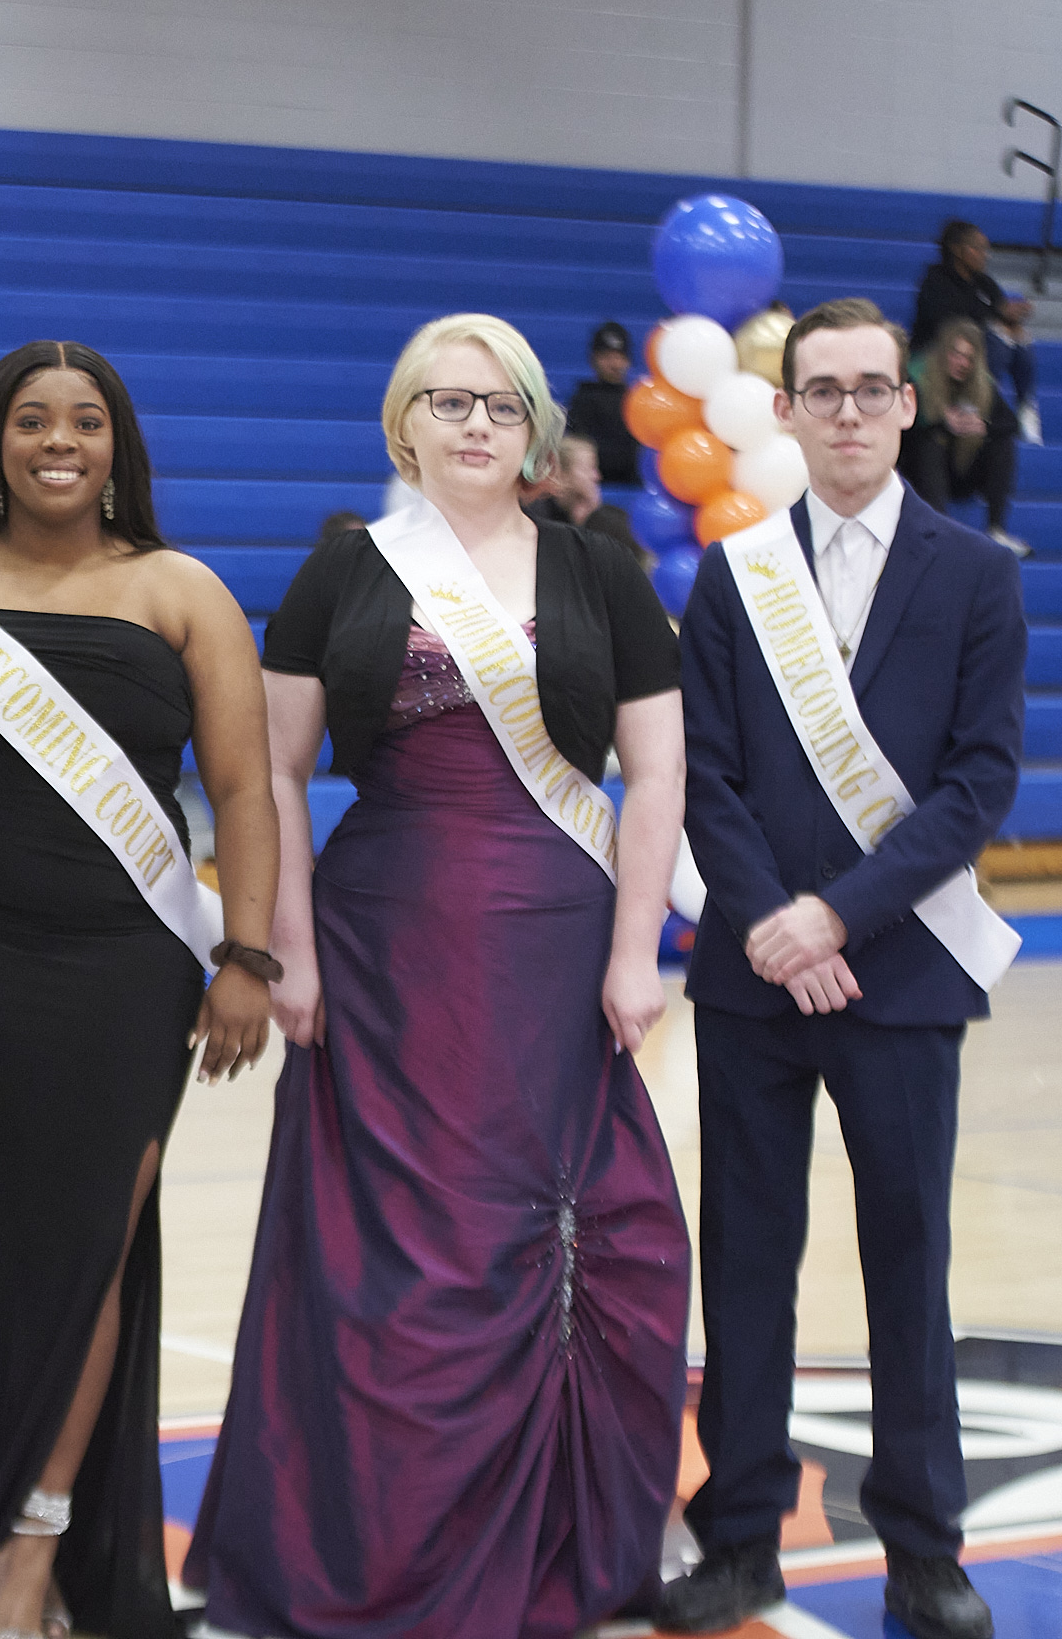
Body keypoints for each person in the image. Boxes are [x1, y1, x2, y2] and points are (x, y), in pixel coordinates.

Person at [189, 313, 691, 1639]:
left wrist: (640, 948)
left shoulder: (601, 572)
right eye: (450, 402)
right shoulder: (345, 572)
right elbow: (275, 776)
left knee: (563, 1225)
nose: (477, 426)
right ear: (403, 423)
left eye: (503, 406)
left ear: (534, 432)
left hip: (555, 945)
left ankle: (557, 1543)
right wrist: (283, 942)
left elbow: (659, 776)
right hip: (379, 939)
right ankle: (369, 1545)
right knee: (390, 1254)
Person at [0, 341, 276, 1639]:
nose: (60, 441)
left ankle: (36, 1553)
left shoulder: (181, 592)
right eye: (33, 419)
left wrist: (249, 957)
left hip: (123, 976)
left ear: (119, 449)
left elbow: (243, 791)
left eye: (87, 422)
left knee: (87, 1253)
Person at [662, 297, 1025, 1639]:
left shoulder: (978, 573)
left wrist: (839, 919)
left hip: (903, 975)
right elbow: (704, 772)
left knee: (906, 1263)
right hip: (757, 980)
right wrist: (775, 923)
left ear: (910, 405)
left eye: (877, 389)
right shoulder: (732, 572)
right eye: (828, 391)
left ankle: (923, 1549)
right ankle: (741, 1541)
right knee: (746, 1263)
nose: (855, 412)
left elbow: (977, 785)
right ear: (787, 410)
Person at [904, 318, 1028, 557]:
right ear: (943, 352)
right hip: (920, 474)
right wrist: (942, 423)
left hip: (962, 471)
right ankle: (938, 527)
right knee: (931, 440)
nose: (962, 363)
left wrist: (982, 426)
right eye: (956, 354)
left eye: (969, 358)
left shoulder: (982, 384)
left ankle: (996, 527)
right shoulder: (918, 375)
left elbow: (1010, 424)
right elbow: (904, 432)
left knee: (1002, 443)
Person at [912, 222, 1036, 440]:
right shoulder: (935, 281)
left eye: (986, 249)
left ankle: (1026, 408)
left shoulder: (985, 284)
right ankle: (980, 402)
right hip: (938, 351)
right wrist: (994, 320)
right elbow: (944, 324)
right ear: (957, 249)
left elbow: (999, 311)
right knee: (996, 341)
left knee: (1020, 344)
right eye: (977, 248)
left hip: (978, 347)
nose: (984, 255)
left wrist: (1013, 321)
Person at [525, 435, 647, 562]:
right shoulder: (536, 516)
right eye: (590, 468)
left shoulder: (605, 519)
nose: (597, 476)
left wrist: (592, 518)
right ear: (561, 474)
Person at [562, 320, 644, 485]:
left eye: (619, 356)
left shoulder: (638, 401)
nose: (614, 364)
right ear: (594, 359)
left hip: (634, 484)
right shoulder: (582, 400)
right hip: (594, 484)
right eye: (606, 357)